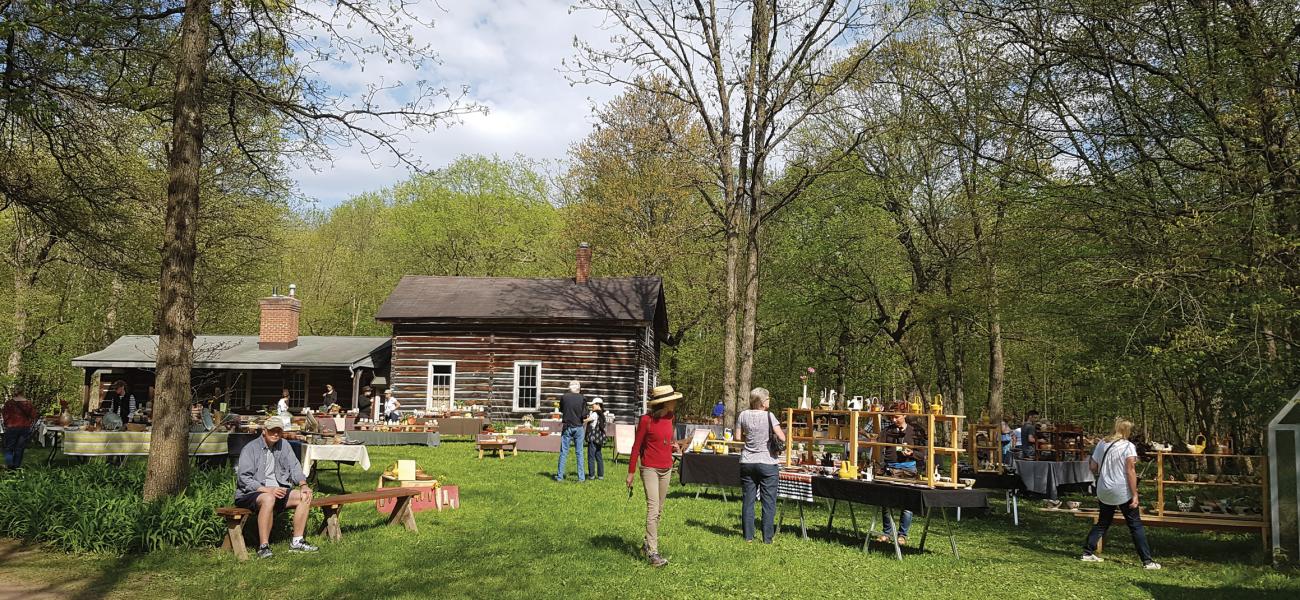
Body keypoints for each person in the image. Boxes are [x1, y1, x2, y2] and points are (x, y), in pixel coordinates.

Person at [233, 416, 318, 558]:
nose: (276, 434)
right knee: (268, 499)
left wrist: (303, 485)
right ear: (264, 431)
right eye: (272, 430)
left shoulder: (284, 445)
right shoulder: (250, 449)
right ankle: (263, 547)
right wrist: (268, 490)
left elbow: (295, 467)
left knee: (304, 496)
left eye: (279, 431)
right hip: (251, 493)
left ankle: (297, 542)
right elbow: (244, 479)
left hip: (278, 491)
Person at [1081, 418, 1160, 569]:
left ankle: (1087, 552)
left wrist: (1105, 472)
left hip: (1104, 487)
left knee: (1103, 521)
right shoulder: (1128, 447)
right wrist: (1135, 494)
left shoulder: (1102, 443)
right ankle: (1147, 561)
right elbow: (1130, 471)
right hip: (1122, 489)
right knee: (1135, 524)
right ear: (1127, 431)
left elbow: (1092, 466)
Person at [627, 385, 681, 567]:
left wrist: (673, 446)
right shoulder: (645, 420)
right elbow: (636, 447)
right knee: (653, 509)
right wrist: (631, 472)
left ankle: (646, 544)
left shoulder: (670, 417)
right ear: (665, 402)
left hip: (666, 468)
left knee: (659, 511)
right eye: (673, 399)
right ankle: (653, 554)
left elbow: (665, 439)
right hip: (649, 468)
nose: (675, 402)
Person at [735, 387, 786, 544]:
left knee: (748, 500)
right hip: (767, 463)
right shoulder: (770, 416)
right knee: (768, 501)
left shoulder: (743, 415)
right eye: (768, 398)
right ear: (763, 402)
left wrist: (750, 438)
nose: (769, 401)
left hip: (747, 462)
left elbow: (737, 438)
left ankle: (748, 537)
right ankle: (767, 538)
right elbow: (782, 437)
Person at [877, 401, 926, 545]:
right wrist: (880, 465)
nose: (893, 420)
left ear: (904, 415)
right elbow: (878, 448)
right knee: (886, 502)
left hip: (908, 469)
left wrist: (911, 453)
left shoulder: (916, 431)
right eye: (891, 417)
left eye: (896, 417)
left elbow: (923, 454)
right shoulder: (887, 431)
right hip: (890, 468)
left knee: (907, 503)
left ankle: (902, 535)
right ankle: (887, 533)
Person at [555, 380, 589, 482]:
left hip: (567, 427)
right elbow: (584, 415)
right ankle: (581, 478)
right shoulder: (583, 398)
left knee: (564, 452)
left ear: (570, 388)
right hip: (578, 427)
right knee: (579, 453)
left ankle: (560, 477)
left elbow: (561, 410)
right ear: (579, 388)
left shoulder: (564, 397)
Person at [2, 390, 38, 469]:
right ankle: (16, 466)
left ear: (14, 393)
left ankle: (10, 466)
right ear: (23, 393)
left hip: (12, 427)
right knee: (20, 448)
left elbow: (5, 414)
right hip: (24, 427)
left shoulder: (9, 403)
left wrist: (6, 423)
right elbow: (34, 416)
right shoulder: (28, 403)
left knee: (9, 447)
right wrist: (29, 424)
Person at [585, 397, 608, 481]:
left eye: (593, 405)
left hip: (593, 437)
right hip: (599, 438)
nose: (592, 407)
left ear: (598, 405)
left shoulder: (595, 414)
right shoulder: (603, 414)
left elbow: (587, 420)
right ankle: (600, 475)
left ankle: (591, 475)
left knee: (591, 457)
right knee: (599, 456)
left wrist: (582, 419)